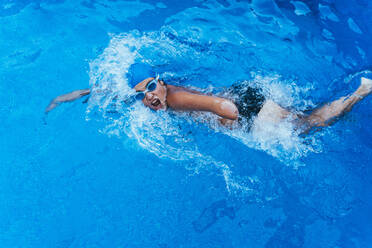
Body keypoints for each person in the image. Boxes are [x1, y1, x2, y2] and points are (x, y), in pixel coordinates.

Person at [45, 63, 372, 133]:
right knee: (304, 116)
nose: (152, 99)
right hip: (244, 95)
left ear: (160, 83)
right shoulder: (142, 95)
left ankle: (361, 93)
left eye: (153, 91)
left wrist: (241, 123)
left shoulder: (174, 99)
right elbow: (98, 91)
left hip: (244, 110)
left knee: (307, 125)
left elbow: (220, 107)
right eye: (144, 96)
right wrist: (63, 98)